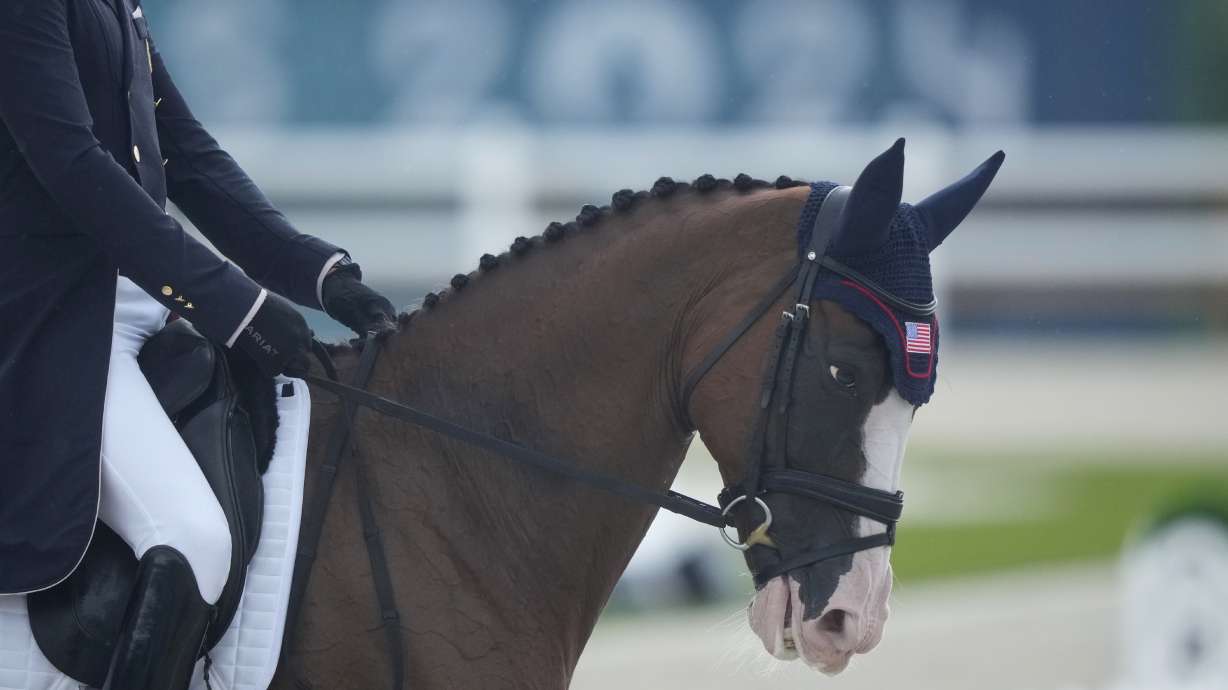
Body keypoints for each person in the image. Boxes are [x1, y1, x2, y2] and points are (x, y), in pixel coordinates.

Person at [0, 1, 398, 687]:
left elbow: (185, 155)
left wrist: (321, 276)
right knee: (191, 536)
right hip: (58, 322)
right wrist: (238, 305)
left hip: (139, 314)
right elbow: (74, 167)